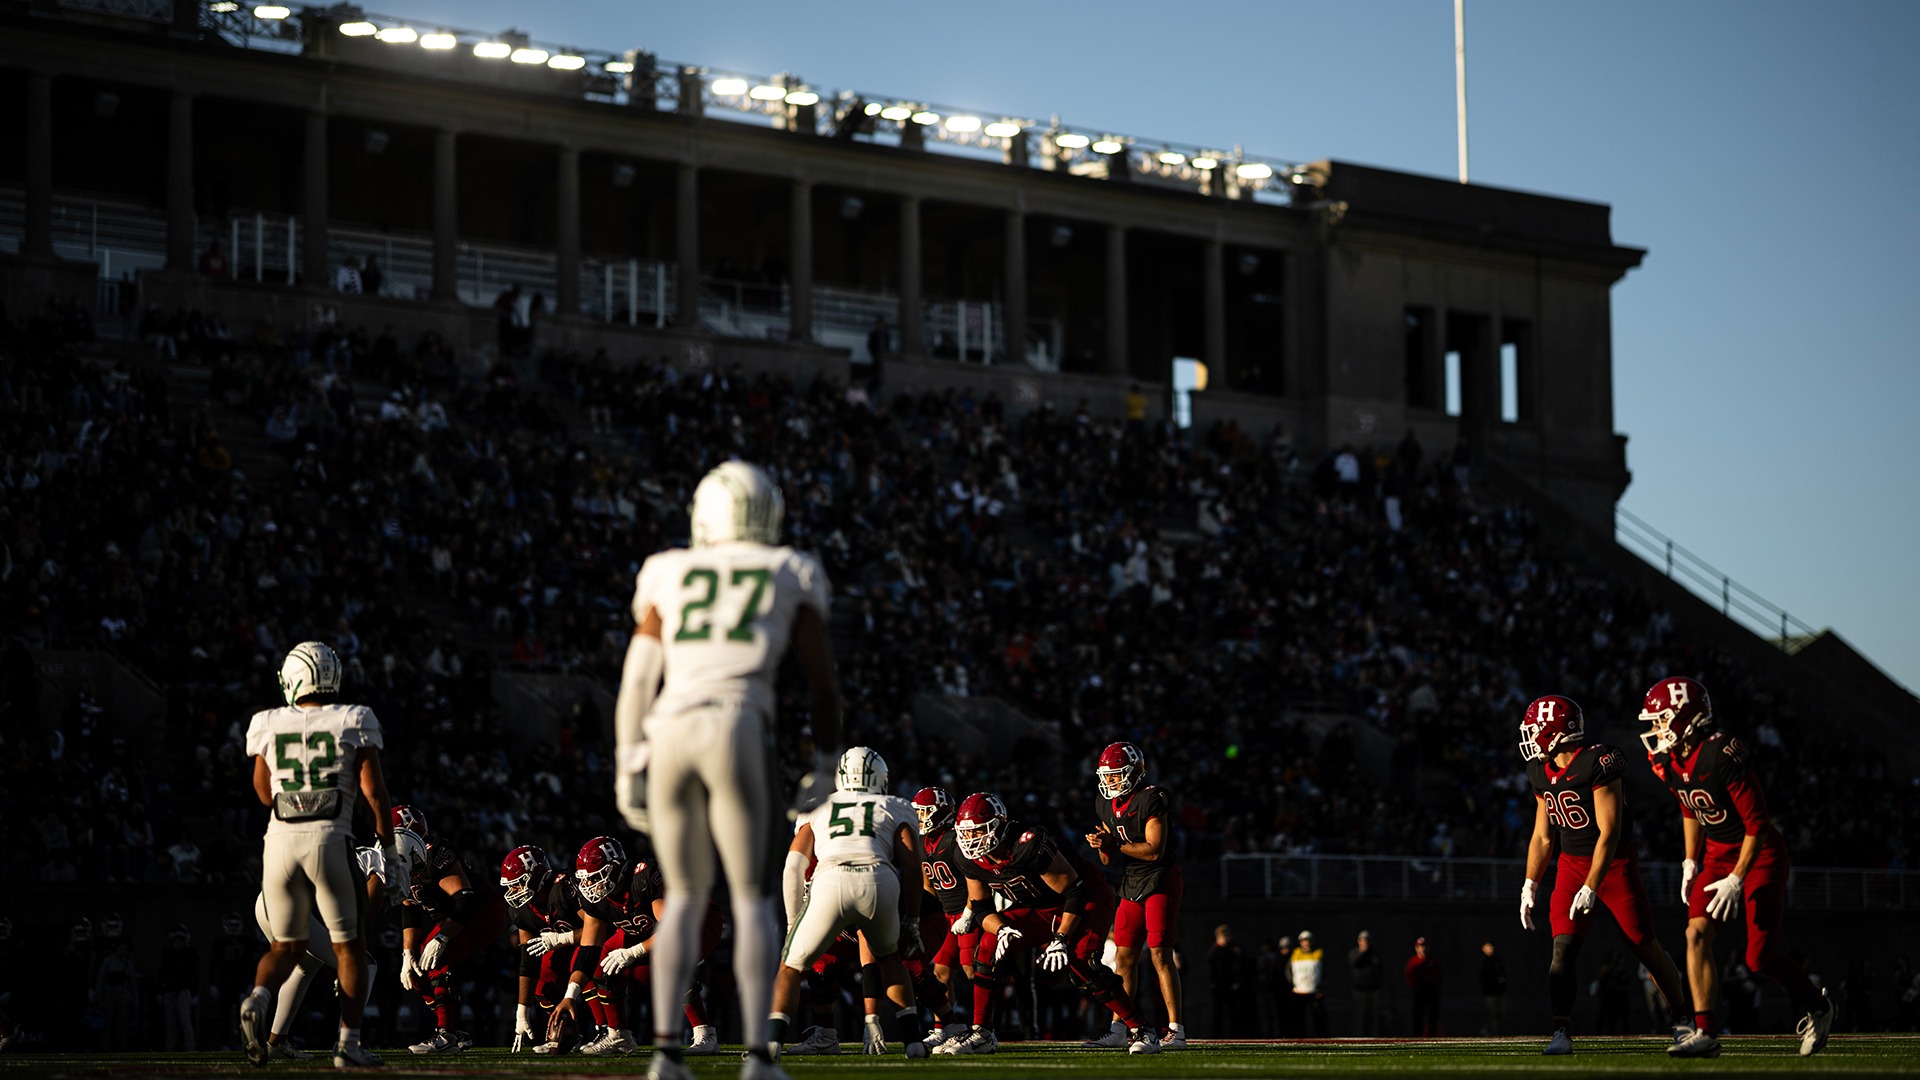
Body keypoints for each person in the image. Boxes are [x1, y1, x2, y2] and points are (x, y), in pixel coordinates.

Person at [609, 460, 843, 1080]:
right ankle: (759, 1060)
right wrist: (824, 763)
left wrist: (628, 759)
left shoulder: (668, 569)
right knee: (753, 899)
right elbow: (823, 684)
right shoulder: (789, 568)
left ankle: (664, 1055)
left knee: (682, 897)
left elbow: (637, 677)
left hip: (667, 727)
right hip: (738, 722)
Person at [1640, 676, 1836, 1058]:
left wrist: (1736, 877)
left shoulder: (1721, 752)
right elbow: (1689, 805)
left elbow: (1758, 824)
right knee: (1695, 934)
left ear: (1687, 718)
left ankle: (1819, 1005)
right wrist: (1690, 860)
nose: (1655, 728)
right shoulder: (1667, 758)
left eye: (1662, 719)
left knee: (1758, 958)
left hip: (1759, 852)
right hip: (1716, 853)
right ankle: (1707, 1032)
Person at [238, 640, 395, 1069]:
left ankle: (257, 997)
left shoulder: (267, 721)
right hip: (329, 837)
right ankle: (348, 1043)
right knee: (352, 948)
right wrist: (389, 847)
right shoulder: (354, 718)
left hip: (279, 843)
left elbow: (260, 788)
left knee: (286, 947)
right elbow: (374, 793)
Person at [1517, 694, 1690, 1056]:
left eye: (1535, 729)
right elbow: (1542, 835)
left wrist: (1592, 884)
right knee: (1562, 950)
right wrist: (1530, 883)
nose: (1530, 736)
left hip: (1614, 864)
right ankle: (1561, 1030)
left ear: (1554, 732)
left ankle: (1684, 1020)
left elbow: (1609, 832)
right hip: (1571, 864)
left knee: (1646, 947)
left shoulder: (1598, 761)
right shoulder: (1539, 771)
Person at [940, 792, 1159, 1056]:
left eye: (978, 831)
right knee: (987, 947)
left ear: (998, 825)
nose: (970, 839)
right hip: (1037, 905)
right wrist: (1001, 928)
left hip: (1084, 897)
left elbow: (1074, 892)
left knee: (1081, 962)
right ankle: (982, 1033)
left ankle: (1140, 1029)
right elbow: (981, 906)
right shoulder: (965, 856)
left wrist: (1061, 938)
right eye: (966, 833)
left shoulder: (1027, 844)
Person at [770, 748, 927, 1057]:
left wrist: (792, 922)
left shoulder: (817, 808)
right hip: (879, 880)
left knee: (791, 966)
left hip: (830, 880)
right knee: (890, 958)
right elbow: (911, 865)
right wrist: (912, 919)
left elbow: (792, 865)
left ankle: (772, 1042)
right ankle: (914, 1043)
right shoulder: (896, 805)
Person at [551, 836, 724, 1058]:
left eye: (595, 878)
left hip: (699, 920)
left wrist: (633, 952)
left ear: (615, 869)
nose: (589, 887)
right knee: (602, 959)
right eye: (585, 881)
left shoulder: (642, 879)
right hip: (649, 931)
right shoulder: (595, 899)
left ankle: (705, 1035)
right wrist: (570, 995)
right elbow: (588, 949)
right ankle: (619, 1035)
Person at [1084, 741, 1186, 1049]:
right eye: (1107, 775)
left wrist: (1114, 845)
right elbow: (1108, 860)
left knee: (1159, 952)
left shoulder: (1152, 797)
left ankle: (1175, 1029)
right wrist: (1104, 847)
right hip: (1131, 880)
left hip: (1160, 878)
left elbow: (1155, 851)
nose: (1110, 781)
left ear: (1135, 772)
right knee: (1122, 957)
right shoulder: (1104, 804)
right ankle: (1121, 1027)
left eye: (1116, 774)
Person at [251, 846, 389, 1060]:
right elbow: (370, 907)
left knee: (304, 965)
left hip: (266, 899)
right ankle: (347, 1045)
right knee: (365, 965)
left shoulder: (352, 853)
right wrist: (350, 963)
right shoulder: (380, 861)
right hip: (297, 904)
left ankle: (274, 1038)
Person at [393, 823, 509, 1054]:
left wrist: (442, 938)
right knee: (417, 972)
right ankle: (453, 1031)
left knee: (436, 962)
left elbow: (464, 900)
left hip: (481, 911)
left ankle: (446, 1034)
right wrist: (407, 954)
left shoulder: (435, 853)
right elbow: (410, 910)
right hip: (454, 918)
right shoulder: (401, 863)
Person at [499, 844, 586, 1053]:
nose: (514, 892)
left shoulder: (565, 888)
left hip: (594, 945)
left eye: (518, 884)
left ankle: (607, 1030)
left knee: (584, 964)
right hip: (567, 947)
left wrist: (561, 939)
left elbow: (598, 930)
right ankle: (566, 1032)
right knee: (542, 977)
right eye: (510, 886)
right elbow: (528, 957)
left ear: (537, 877)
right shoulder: (520, 910)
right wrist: (522, 1011)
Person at [910, 786, 975, 1051]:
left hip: (967, 911)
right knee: (939, 972)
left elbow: (974, 878)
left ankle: (985, 1027)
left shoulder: (953, 840)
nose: (921, 818)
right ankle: (944, 1028)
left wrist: (970, 912)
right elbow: (928, 886)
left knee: (974, 971)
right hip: (944, 913)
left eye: (925, 812)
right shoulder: (922, 843)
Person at [157, 924, 199, 1051]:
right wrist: (160, 992)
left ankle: (190, 1049)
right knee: (170, 1024)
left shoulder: (190, 956)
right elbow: (161, 974)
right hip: (169, 992)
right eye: (176, 941)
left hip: (183, 992)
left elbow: (195, 976)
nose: (178, 944)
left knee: (185, 1023)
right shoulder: (167, 955)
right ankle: (170, 1049)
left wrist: (194, 994)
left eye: (180, 941)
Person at [1291, 930, 1328, 1037]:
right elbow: (1288, 971)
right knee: (1299, 1021)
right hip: (1299, 993)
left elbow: (1324, 972)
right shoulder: (1296, 953)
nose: (1306, 943)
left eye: (1308, 940)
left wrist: (1322, 988)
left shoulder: (1319, 953)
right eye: (1304, 941)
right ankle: (1298, 1043)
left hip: (1314, 993)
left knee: (1319, 1020)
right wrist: (1292, 985)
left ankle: (1322, 1043)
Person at [1404, 937, 1442, 1037]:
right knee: (1418, 1016)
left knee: (1432, 1016)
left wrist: (1436, 986)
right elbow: (1409, 975)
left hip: (1432, 991)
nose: (1422, 949)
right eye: (1420, 947)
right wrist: (1414, 986)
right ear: (1416, 948)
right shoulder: (1413, 961)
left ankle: (1432, 1036)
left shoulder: (1432, 960)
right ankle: (1417, 1036)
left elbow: (1439, 975)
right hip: (1419, 991)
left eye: (1424, 946)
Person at [1349, 930, 1383, 1036]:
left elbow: (1381, 970)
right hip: (1360, 990)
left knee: (1374, 1015)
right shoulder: (1354, 953)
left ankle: (1374, 1037)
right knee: (1360, 1015)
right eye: (1363, 940)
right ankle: (1359, 1037)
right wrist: (1363, 952)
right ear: (1359, 941)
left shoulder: (1375, 954)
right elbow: (1354, 963)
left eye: (1367, 940)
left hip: (1374, 989)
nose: (1365, 942)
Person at [1479, 940, 1507, 1036]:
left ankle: (1490, 1028)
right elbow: (1482, 977)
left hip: (1498, 991)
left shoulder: (1497, 960)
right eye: (1487, 947)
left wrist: (1502, 984)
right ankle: (1494, 1032)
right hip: (1489, 992)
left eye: (1490, 947)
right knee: (1492, 1012)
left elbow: (1503, 974)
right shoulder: (1483, 962)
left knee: (1500, 1011)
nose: (1490, 949)